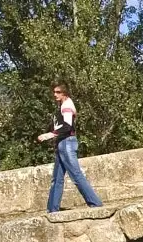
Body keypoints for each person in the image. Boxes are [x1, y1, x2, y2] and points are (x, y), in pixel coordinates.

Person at [39, 83, 103, 213]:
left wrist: (49, 135)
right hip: (62, 143)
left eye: (58, 92)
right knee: (57, 178)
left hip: (67, 143)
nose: (55, 94)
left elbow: (68, 127)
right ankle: (52, 209)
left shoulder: (67, 105)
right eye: (54, 92)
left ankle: (95, 203)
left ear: (64, 93)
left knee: (76, 175)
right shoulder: (62, 105)